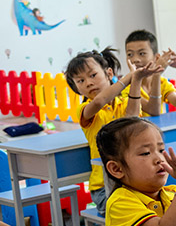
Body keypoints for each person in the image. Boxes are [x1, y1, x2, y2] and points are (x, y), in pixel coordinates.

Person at [67, 48, 161, 216]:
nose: (88, 82)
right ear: (76, 88)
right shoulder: (85, 109)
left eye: (93, 75)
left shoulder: (123, 103)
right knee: (138, 213)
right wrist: (129, 77)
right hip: (104, 188)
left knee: (157, 206)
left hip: (131, 182)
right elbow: (99, 101)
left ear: (109, 73)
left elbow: (131, 117)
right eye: (80, 80)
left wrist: (137, 79)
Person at [125, 29, 176, 113]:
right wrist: (157, 74)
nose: (135, 60)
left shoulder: (162, 83)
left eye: (142, 53)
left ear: (156, 58)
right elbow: (153, 111)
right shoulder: (126, 87)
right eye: (130, 54)